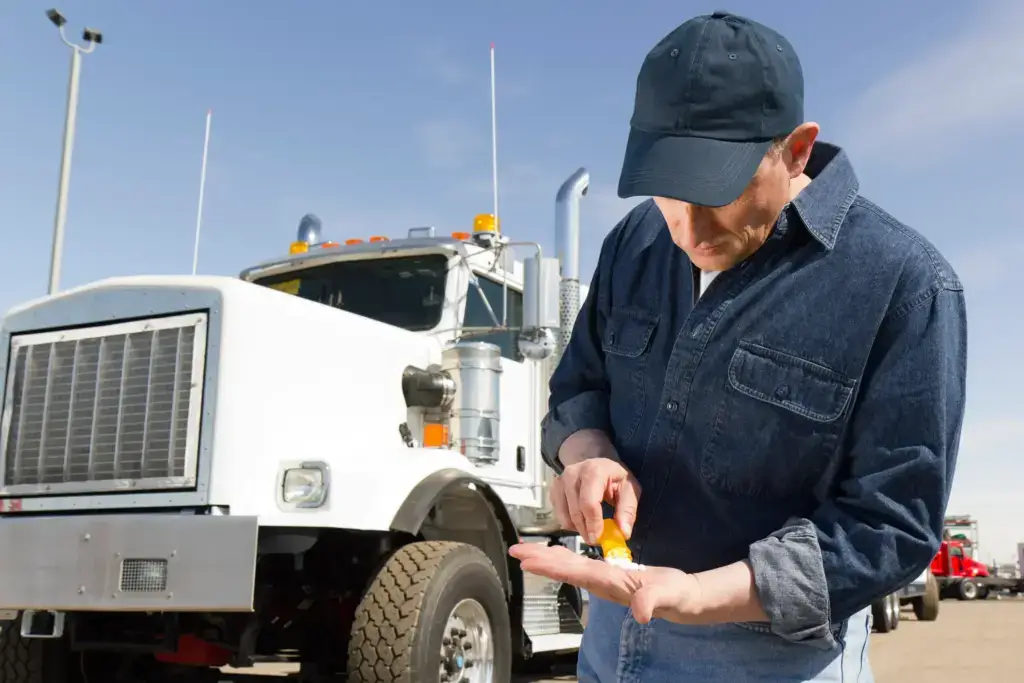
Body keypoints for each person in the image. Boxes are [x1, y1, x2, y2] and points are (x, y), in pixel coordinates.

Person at [509, 10, 967, 683]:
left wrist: (698, 596)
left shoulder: (905, 287)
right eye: (669, 188)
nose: (688, 227)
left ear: (797, 149)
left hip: (771, 658)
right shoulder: (634, 244)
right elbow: (580, 388)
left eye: (719, 189)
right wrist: (590, 457)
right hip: (610, 638)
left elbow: (888, 525)